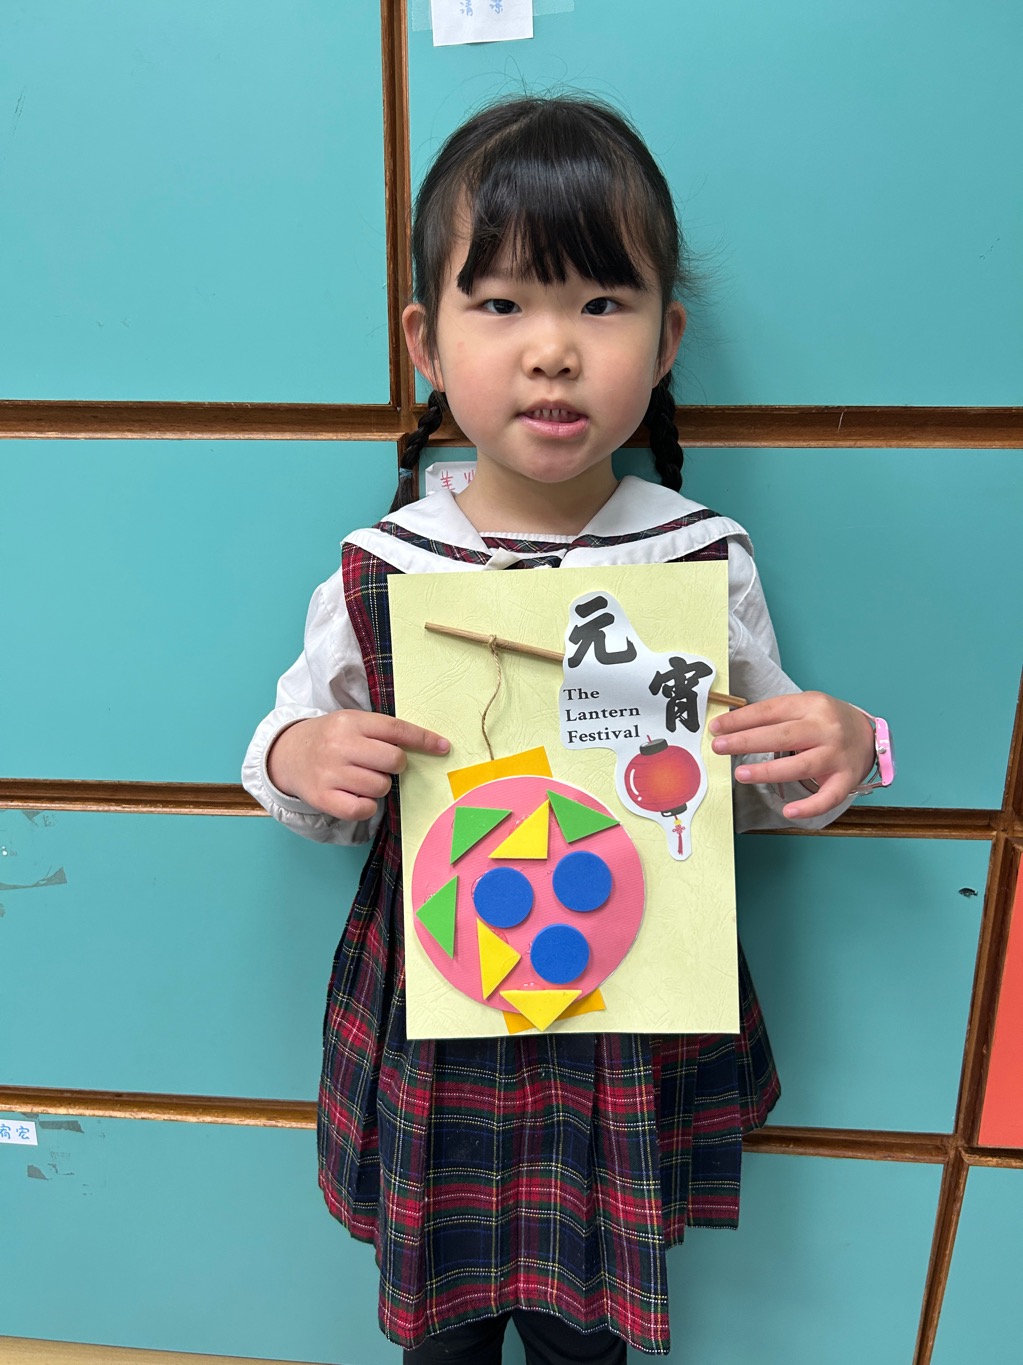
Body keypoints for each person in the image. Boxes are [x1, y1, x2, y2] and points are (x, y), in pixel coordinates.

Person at [243, 96, 889, 1364]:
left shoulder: (698, 557)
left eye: (601, 303)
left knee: (587, 1314)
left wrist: (847, 745)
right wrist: (304, 757)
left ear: (666, 340)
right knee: (441, 1313)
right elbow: (283, 752)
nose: (552, 350)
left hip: (625, 1001)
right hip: (443, 996)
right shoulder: (383, 565)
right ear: (426, 343)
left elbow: (756, 776)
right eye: (500, 303)